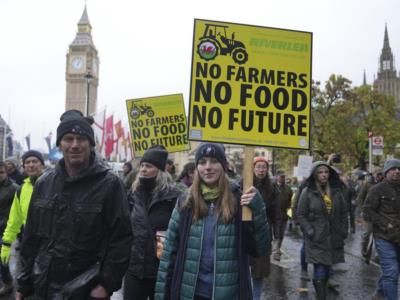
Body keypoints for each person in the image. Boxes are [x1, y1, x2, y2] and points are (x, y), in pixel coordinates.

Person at [16, 110, 132, 299]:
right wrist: (23, 283)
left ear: (90, 144)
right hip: (43, 285)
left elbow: (122, 239)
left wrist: (106, 284)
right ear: (60, 145)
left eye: (81, 139)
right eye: (68, 139)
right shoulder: (44, 183)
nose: (75, 145)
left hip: (86, 289)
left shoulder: (110, 184)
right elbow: (31, 237)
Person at [155, 143, 270, 300]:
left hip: (229, 294)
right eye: (202, 162)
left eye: (214, 161)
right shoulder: (185, 201)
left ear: (224, 166)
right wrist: (161, 295)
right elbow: (169, 253)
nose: (207, 167)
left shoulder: (239, 198)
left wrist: (258, 210)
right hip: (191, 293)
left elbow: (260, 248)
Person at [124, 145, 183, 300]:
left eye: (149, 166)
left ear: (160, 170)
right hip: (135, 268)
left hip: (162, 270)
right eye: (142, 165)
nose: (143, 169)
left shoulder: (175, 196)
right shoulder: (133, 194)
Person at [297, 161, 348, 300]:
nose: (324, 175)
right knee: (320, 268)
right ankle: (321, 297)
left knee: (327, 268)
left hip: (333, 236)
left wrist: (344, 230)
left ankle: (323, 293)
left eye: (326, 172)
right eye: (320, 172)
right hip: (316, 237)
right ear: (315, 175)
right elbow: (300, 214)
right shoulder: (307, 192)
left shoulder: (336, 192)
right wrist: (309, 230)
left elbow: (344, 212)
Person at [0, 150, 45, 294]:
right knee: (28, 284)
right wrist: (6, 244)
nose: (31, 165)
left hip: (51, 245)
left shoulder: (54, 185)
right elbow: (14, 220)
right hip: (29, 242)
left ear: (42, 164)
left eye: (35, 161)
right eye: (27, 162)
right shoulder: (21, 189)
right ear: (23, 166)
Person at [363, 159, 400, 300]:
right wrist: (385, 223)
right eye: (393, 169)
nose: (397, 171)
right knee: (391, 271)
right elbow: (367, 211)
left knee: (393, 270)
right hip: (384, 237)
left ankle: (379, 293)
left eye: (399, 169)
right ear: (386, 172)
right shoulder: (377, 189)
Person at [250, 156, 280, 299]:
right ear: (253, 169)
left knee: (259, 270)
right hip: (247, 230)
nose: (261, 170)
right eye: (258, 167)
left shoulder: (272, 188)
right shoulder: (244, 184)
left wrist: (276, 231)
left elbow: (276, 211)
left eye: (264, 167)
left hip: (263, 233)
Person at [0, 161, 18, 295]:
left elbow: (17, 211)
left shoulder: (14, 188)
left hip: (4, 229)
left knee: (3, 259)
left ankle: (8, 282)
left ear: (6, 172)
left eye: (1, 172)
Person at [272, 170, 293, 261]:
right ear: (276, 177)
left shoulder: (288, 189)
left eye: (283, 176)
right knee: (275, 234)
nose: (282, 178)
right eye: (280, 176)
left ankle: (278, 248)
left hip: (283, 216)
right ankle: (275, 251)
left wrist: (290, 216)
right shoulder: (272, 187)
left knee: (281, 234)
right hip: (272, 215)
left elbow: (290, 204)